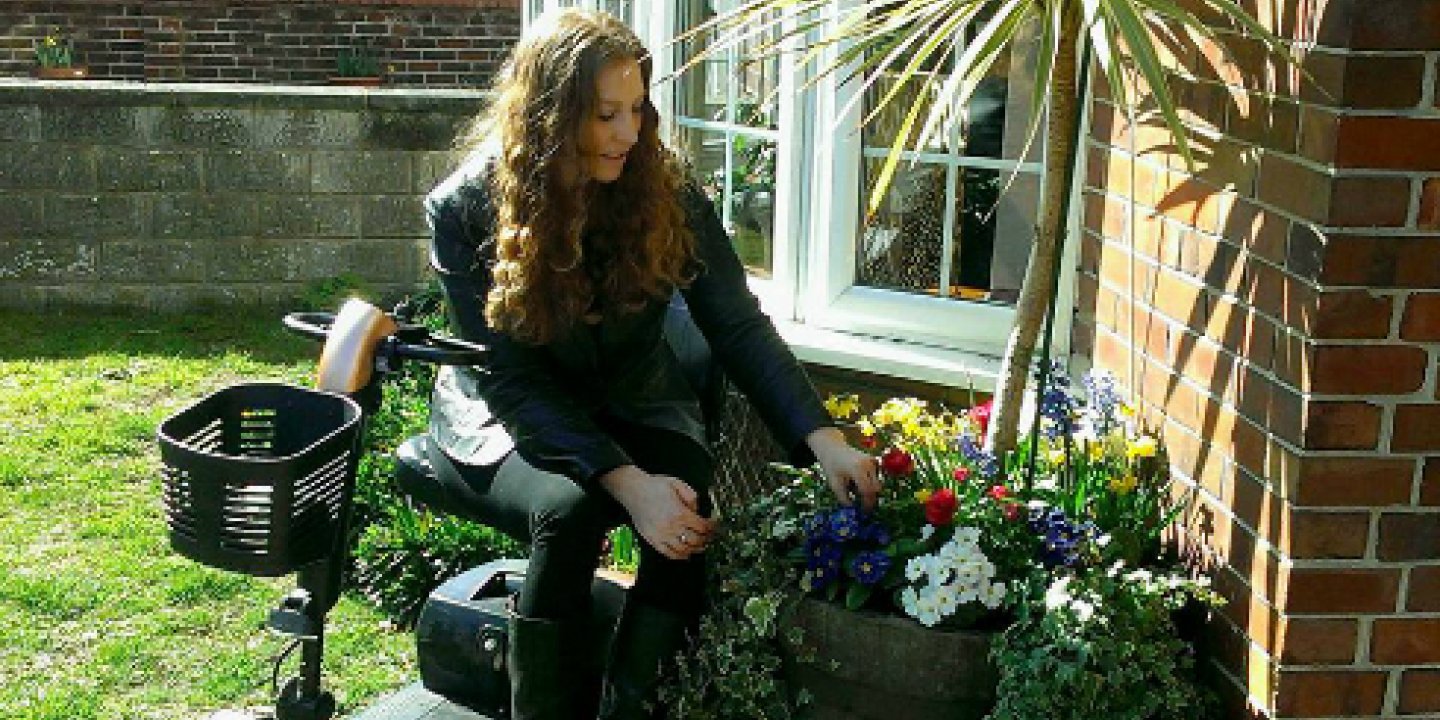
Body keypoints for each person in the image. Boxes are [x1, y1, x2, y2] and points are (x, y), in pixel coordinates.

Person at [420, 9, 879, 719]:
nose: (630, 133)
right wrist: (627, 484)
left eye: (637, 109)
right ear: (551, 114)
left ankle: (633, 707)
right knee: (570, 512)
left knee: (686, 509)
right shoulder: (465, 207)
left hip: (632, 394)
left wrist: (823, 438)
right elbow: (511, 377)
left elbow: (736, 323)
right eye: (606, 115)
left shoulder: (661, 186)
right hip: (505, 416)